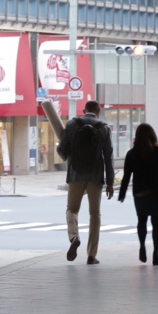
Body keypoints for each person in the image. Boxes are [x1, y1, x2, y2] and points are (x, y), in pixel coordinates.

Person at [46, 98, 114, 265]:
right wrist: (110, 183)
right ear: (98, 111)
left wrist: (70, 159)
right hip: (95, 177)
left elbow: (61, 148)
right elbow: (108, 158)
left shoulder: (72, 124)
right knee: (94, 214)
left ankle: (74, 236)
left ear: (84, 111)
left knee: (72, 209)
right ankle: (91, 255)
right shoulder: (104, 128)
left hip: (75, 175)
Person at [118, 122, 158, 265]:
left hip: (139, 193)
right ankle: (156, 254)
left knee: (142, 221)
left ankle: (142, 246)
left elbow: (126, 176)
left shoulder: (131, 154)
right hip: (156, 193)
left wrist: (122, 193)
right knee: (156, 223)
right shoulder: (156, 152)